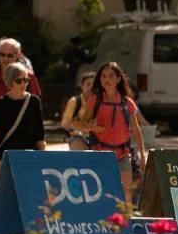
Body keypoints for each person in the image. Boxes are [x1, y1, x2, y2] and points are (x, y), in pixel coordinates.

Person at [78, 61, 146, 204]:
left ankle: (123, 224)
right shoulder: (94, 100)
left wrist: (142, 156)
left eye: (110, 76)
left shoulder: (127, 103)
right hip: (99, 154)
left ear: (118, 78)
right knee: (101, 194)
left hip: (122, 154)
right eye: (103, 76)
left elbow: (136, 130)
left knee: (126, 195)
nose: (106, 80)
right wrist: (91, 127)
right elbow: (82, 125)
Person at [0, 62, 46, 181]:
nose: (23, 83)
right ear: (9, 81)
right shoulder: (1, 103)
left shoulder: (34, 101)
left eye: (26, 80)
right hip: (6, 158)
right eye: (19, 80)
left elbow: (40, 134)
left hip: (29, 157)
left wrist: (42, 159)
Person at [0, 38, 41, 148]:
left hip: (25, 143)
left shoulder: (29, 77)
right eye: (2, 54)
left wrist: (40, 142)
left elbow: (37, 113)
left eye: (10, 55)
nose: (5, 59)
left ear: (18, 55)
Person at [60, 72, 96, 150]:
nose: (90, 88)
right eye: (88, 84)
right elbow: (65, 123)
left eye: (93, 86)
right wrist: (81, 129)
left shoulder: (100, 103)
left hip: (96, 140)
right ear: (82, 86)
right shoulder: (75, 101)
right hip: (78, 138)